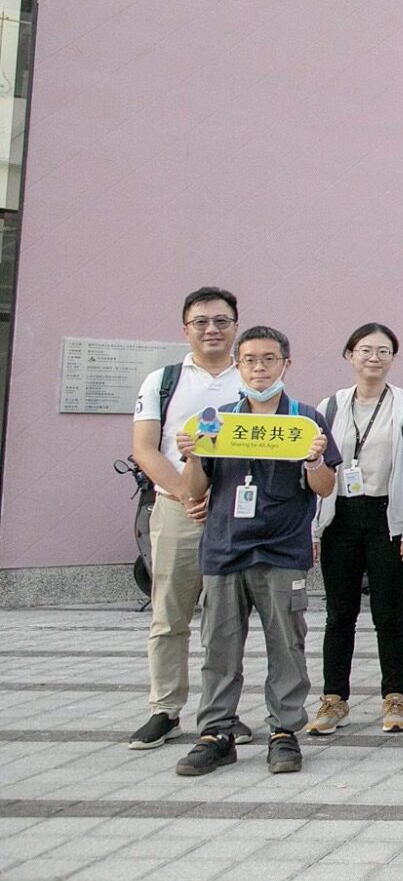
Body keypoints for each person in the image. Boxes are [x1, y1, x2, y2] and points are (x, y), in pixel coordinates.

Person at [173, 326, 340, 776]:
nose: (259, 368)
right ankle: (216, 733)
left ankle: (284, 732)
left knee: (287, 645)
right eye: (250, 360)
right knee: (219, 647)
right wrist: (191, 455)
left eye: (269, 359)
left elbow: (325, 488)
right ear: (237, 365)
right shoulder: (216, 420)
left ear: (286, 363)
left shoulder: (305, 420)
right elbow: (194, 491)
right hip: (225, 549)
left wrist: (315, 461)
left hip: (283, 550)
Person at [128, 286, 247, 752]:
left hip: (234, 516)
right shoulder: (163, 380)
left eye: (221, 321)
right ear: (186, 328)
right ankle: (164, 708)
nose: (212, 329)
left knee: (225, 621)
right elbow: (145, 448)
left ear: (235, 326)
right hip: (177, 510)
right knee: (169, 615)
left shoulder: (251, 380)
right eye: (201, 322)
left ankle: (221, 713)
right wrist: (185, 493)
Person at [305, 323, 403, 736]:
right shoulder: (330, 406)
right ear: (349, 355)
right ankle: (334, 698)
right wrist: (313, 530)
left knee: (389, 614)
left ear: (393, 359)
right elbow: (316, 467)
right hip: (340, 517)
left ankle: (395, 696)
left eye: (383, 351)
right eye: (365, 350)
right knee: (338, 614)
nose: (373, 358)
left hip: (387, 518)